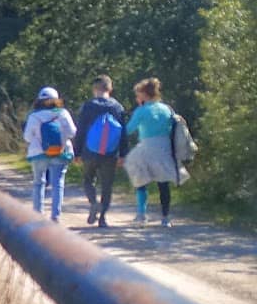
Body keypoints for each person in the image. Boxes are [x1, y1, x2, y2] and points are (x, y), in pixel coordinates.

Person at [123, 78, 187, 227]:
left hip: (146, 147)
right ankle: (165, 218)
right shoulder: (167, 109)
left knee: (140, 180)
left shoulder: (142, 111)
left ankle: (141, 214)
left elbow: (128, 130)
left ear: (144, 94)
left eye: (138, 94)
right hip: (164, 148)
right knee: (163, 184)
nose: (137, 98)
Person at [73, 75, 127, 228]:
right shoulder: (118, 107)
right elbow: (123, 133)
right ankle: (103, 218)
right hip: (110, 153)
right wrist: (123, 154)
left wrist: (77, 152)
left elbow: (81, 131)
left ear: (94, 89)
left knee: (88, 180)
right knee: (107, 185)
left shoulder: (88, 106)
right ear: (110, 88)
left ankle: (93, 203)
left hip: (90, 152)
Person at [23, 86, 77, 221]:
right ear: (56, 100)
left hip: (38, 154)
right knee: (58, 183)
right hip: (60, 152)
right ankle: (55, 216)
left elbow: (27, 137)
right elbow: (72, 132)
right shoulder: (63, 113)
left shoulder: (34, 116)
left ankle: (38, 215)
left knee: (38, 183)